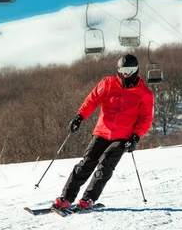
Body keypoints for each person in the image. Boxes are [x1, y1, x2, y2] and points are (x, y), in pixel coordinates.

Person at [53, 53, 155, 211]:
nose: (125, 74)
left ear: (136, 70)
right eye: (122, 70)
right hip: (102, 132)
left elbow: (146, 119)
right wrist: (79, 117)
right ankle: (66, 197)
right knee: (85, 164)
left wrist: (135, 137)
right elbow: (91, 101)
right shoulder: (108, 83)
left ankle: (88, 198)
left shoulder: (144, 94)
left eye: (129, 70)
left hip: (122, 137)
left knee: (105, 166)